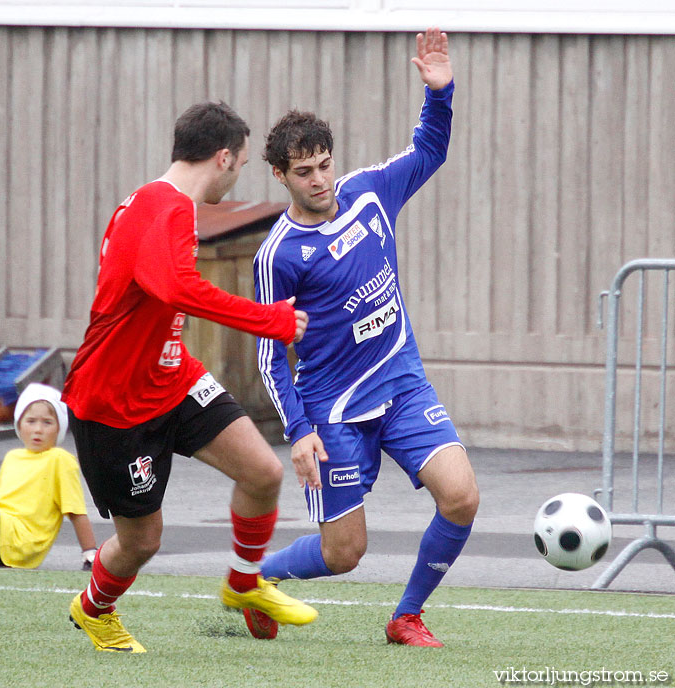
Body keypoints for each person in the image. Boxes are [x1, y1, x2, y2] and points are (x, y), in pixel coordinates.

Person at [63, 101, 317, 654]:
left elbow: (163, 294)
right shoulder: (167, 208)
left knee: (261, 473)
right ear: (222, 157)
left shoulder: (152, 202)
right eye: (242, 164)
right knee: (142, 542)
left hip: (172, 377)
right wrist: (270, 320)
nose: (238, 174)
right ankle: (93, 608)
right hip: (115, 402)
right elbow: (178, 288)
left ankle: (244, 584)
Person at [253, 28, 479, 646]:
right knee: (345, 551)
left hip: (401, 382)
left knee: (461, 497)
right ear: (280, 175)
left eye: (324, 164)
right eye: (304, 172)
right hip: (334, 409)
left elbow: (429, 149)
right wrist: (298, 432)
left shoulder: (370, 193)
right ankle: (252, 581)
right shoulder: (278, 255)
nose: (320, 180)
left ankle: (407, 615)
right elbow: (270, 356)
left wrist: (440, 93)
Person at [0, 383, 97, 570]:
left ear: (59, 428)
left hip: (18, 543)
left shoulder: (60, 459)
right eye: (31, 421)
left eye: (47, 422)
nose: (38, 429)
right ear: (19, 425)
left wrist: (90, 553)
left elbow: (76, 512)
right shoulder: (12, 457)